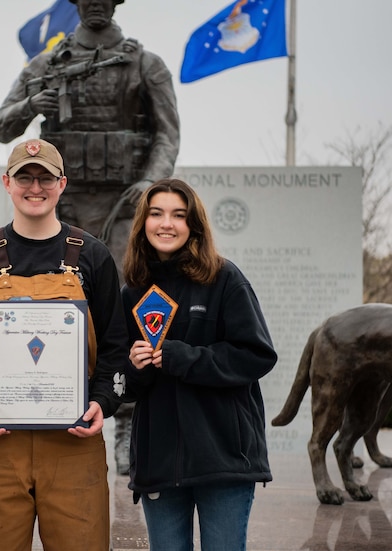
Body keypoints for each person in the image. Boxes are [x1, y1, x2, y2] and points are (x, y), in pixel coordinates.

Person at [0, 0, 180, 474]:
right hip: (64, 204)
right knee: (55, 306)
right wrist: (31, 105)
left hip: (125, 204)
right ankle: (50, 401)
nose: (95, 4)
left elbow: (167, 134)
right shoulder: (46, 64)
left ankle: (127, 425)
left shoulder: (145, 63)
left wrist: (151, 182)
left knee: (124, 307)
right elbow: (3, 126)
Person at [0, 138, 129, 550]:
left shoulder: (92, 256)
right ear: (7, 183)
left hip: (75, 438)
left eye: (46, 178)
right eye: (25, 177)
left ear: (63, 184)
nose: (35, 187)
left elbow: (117, 346)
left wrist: (102, 403)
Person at [121, 178, 277, 550]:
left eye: (179, 215)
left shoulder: (224, 278)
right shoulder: (132, 291)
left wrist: (182, 357)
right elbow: (126, 385)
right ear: (143, 223)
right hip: (159, 463)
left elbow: (257, 354)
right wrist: (135, 367)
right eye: (156, 214)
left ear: (194, 225)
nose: (166, 223)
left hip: (222, 458)